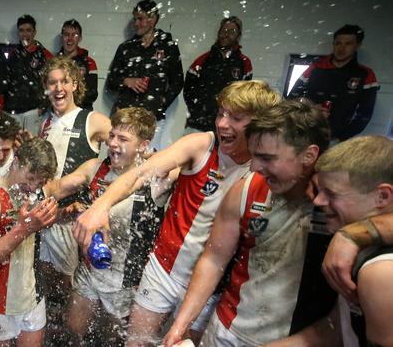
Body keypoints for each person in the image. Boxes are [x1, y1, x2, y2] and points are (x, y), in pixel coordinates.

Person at [73, 80, 281, 346]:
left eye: (236, 118)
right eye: (221, 113)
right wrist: (100, 207)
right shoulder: (201, 144)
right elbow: (140, 174)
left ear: (260, 123)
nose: (222, 124)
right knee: (136, 343)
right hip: (164, 270)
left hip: (212, 283)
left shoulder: (264, 169)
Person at [164, 100, 330, 346]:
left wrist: (354, 234)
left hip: (296, 339)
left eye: (267, 158)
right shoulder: (247, 188)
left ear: (309, 155)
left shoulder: (339, 200)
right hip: (227, 332)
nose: (255, 167)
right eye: (254, 156)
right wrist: (180, 325)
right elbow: (213, 260)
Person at [43, 107, 168, 346]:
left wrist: (152, 154)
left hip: (125, 282)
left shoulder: (156, 179)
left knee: (112, 342)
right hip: (90, 271)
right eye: (112, 136)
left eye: (123, 139)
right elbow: (55, 188)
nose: (113, 144)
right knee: (72, 333)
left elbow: (180, 164)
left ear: (142, 145)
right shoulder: (95, 167)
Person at [269, 135, 393, 347]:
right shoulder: (364, 251)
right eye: (320, 190)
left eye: (332, 194)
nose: (318, 201)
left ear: (381, 197)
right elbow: (337, 328)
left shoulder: (381, 273)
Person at [0, 136, 59, 347]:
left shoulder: (37, 192)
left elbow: (71, 182)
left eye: (41, 181)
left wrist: (65, 214)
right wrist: (24, 228)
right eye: (30, 178)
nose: (34, 186)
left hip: (32, 296)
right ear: (16, 162)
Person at [37, 57, 111, 313]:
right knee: (48, 275)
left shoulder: (91, 120)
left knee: (68, 281)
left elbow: (124, 144)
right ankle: (56, 320)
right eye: (52, 82)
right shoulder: (45, 123)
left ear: (75, 85)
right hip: (46, 216)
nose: (58, 88)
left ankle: (70, 329)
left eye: (64, 81)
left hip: (71, 219)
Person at [106, 0, 184, 151]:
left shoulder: (168, 47)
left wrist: (159, 104)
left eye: (140, 18)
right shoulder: (126, 48)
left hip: (152, 119)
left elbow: (178, 82)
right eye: (135, 18)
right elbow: (111, 81)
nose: (136, 23)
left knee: (148, 164)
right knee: (119, 160)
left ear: (153, 19)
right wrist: (126, 81)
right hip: (124, 117)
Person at [289, 24, 379, 142]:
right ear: (333, 44)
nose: (341, 48)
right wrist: (310, 109)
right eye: (338, 43)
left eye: (348, 44)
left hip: (336, 138)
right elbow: (291, 98)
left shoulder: (365, 74)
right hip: (305, 132)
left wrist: (343, 136)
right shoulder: (316, 67)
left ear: (357, 45)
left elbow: (364, 114)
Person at [183, 16, 253, 133]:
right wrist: (198, 111)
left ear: (238, 36)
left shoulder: (244, 63)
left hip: (226, 127)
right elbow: (188, 91)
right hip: (197, 125)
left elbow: (244, 97)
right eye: (224, 30)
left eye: (232, 31)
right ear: (218, 33)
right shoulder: (203, 60)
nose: (227, 34)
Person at [5, 14, 53, 134]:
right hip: (13, 112)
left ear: (34, 32)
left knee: (33, 149)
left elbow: (51, 84)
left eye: (28, 30)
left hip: (34, 112)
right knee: (14, 148)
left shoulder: (45, 55)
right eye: (21, 30)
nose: (25, 34)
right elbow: (5, 81)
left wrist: (43, 107)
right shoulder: (12, 54)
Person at [56, 19, 98, 111]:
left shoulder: (90, 62)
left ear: (80, 38)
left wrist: (71, 102)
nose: (70, 38)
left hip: (82, 111)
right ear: (62, 37)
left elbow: (92, 94)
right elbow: (49, 90)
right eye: (66, 34)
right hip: (59, 112)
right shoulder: (54, 62)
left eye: (74, 35)